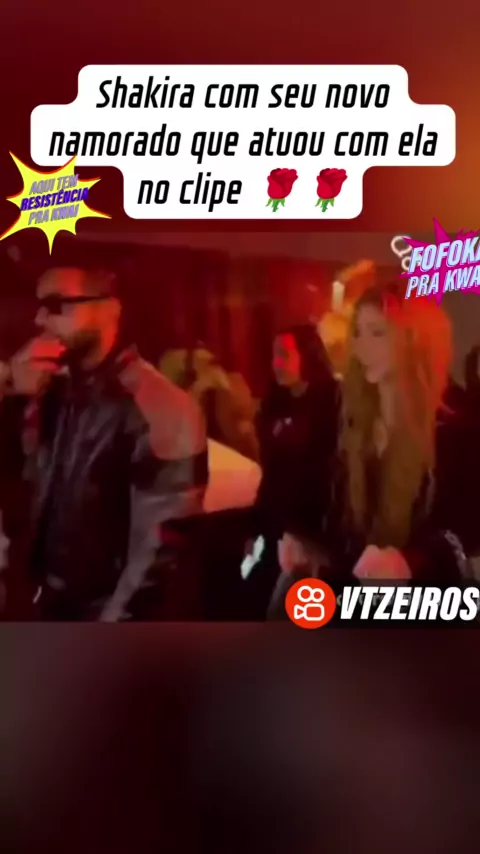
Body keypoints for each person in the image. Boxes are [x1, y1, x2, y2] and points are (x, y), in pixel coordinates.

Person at [0, 264, 208, 621]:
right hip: (41, 608)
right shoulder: (50, 389)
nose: (39, 319)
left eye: (56, 305)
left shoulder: (158, 404)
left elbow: (157, 560)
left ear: (109, 308)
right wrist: (12, 397)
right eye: (39, 306)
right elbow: (19, 488)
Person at [277, 283, 480, 587]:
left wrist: (410, 563)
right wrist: (301, 539)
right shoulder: (340, 415)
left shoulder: (455, 431)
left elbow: (466, 531)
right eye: (358, 333)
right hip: (349, 588)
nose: (362, 347)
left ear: (413, 340)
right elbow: (314, 499)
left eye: (378, 333)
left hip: (422, 598)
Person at [243, 324, 339, 618]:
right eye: (273, 356)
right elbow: (271, 475)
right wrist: (254, 529)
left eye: (284, 355)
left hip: (315, 534)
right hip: (276, 528)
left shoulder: (332, 404)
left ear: (307, 355)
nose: (276, 364)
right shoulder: (275, 405)